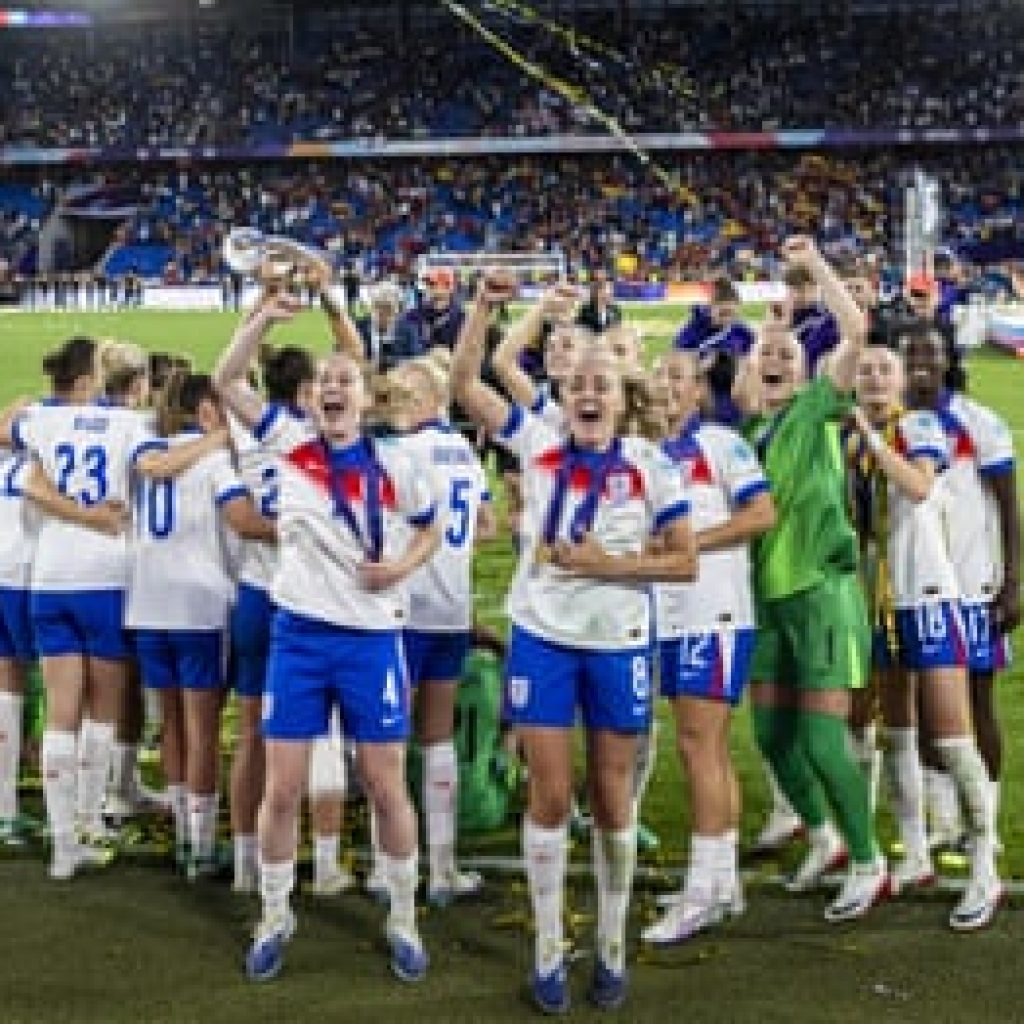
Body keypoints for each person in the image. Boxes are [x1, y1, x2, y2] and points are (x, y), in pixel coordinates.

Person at [452, 272, 696, 1014]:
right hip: (544, 641)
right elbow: (464, 380)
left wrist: (607, 566)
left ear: (623, 400)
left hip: (619, 643)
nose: (589, 394)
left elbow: (684, 558)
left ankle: (613, 942)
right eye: (578, 384)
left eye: (603, 384)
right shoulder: (538, 441)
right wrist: (488, 307)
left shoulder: (652, 465)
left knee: (614, 799)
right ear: (563, 396)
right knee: (551, 796)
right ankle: (549, 945)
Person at [214, 295, 440, 985]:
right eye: (323, 382)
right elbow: (225, 382)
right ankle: (275, 913)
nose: (333, 388)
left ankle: (402, 916)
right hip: (300, 638)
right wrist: (262, 317)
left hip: (372, 639)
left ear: (366, 396)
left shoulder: (398, 463)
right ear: (311, 399)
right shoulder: (288, 442)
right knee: (282, 789)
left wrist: (400, 565)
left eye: (346, 379)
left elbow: (431, 528)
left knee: (383, 783)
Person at [5, 337, 224, 879]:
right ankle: (89, 819)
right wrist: (219, 437)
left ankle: (62, 847)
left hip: (48, 578)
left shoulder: (45, 420)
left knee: (60, 714)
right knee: (101, 711)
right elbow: (161, 467)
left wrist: (72, 508)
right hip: (105, 578)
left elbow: (10, 435)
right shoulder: (134, 427)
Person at [738, 236, 886, 922]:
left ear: (805, 372)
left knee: (824, 738)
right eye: (763, 351)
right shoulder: (742, 436)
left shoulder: (818, 408)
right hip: (767, 603)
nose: (773, 358)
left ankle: (868, 859)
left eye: (785, 354)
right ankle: (822, 836)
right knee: (771, 736)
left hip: (822, 595)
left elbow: (855, 329)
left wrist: (815, 264)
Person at [849, 342, 1000, 928]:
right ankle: (914, 854)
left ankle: (983, 861)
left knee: (953, 736)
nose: (875, 378)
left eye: (884, 370)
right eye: (865, 372)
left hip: (933, 595)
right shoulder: (852, 444)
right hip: (882, 600)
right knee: (897, 733)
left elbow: (917, 486)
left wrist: (868, 435)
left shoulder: (919, 426)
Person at [642, 349, 776, 944]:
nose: (667, 387)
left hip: (713, 613)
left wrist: (692, 541)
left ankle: (702, 891)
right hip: (669, 616)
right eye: (659, 377)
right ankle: (722, 883)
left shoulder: (722, 444)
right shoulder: (643, 453)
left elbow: (761, 513)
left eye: (679, 378)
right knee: (709, 748)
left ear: (699, 392)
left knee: (699, 746)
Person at [127, 370, 275, 878]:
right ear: (209, 410)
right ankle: (202, 845)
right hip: (200, 606)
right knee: (202, 730)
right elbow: (239, 524)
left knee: (169, 722)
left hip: (147, 602)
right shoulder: (215, 461)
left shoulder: (149, 452)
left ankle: (181, 837)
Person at [369, 354, 495, 905]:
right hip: (451, 606)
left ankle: (387, 864)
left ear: (423, 401)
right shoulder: (464, 451)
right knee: (437, 736)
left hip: (406, 605)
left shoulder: (400, 451)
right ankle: (443, 869)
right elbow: (485, 522)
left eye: (403, 394)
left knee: (387, 736)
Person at [901, 322, 1020, 852]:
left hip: (974, 584)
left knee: (978, 698)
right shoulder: (891, 421)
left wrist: (1014, 580)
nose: (921, 361)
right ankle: (944, 820)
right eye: (912, 353)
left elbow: (1008, 507)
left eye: (930, 352)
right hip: (913, 585)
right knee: (924, 706)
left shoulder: (979, 422)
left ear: (948, 360)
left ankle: (983, 825)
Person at [227, 341, 317, 894]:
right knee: (313, 737)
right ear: (307, 391)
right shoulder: (311, 439)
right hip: (303, 597)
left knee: (253, 736)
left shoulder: (244, 435)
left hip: (254, 592)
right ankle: (319, 857)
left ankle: (245, 861)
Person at [673, 276, 756, 425]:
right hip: (703, 400)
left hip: (735, 397)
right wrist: (702, 365)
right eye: (722, 313)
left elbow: (755, 362)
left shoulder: (743, 332)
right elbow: (676, 365)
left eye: (732, 314)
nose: (727, 319)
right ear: (710, 307)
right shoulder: (691, 331)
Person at [393, 266, 466, 361]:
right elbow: (398, 353)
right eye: (427, 284)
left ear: (449, 288)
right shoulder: (410, 316)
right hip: (417, 370)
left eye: (433, 284)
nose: (428, 288)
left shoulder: (462, 319)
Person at [785, 262, 840, 373]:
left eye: (802, 289)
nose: (796, 295)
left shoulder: (828, 320)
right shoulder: (785, 317)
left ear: (817, 287)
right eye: (792, 289)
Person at [575, 268, 622, 333]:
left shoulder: (614, 311)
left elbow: (617, 332)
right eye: (598, 286)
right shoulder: (585, 312)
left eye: (604, 286)